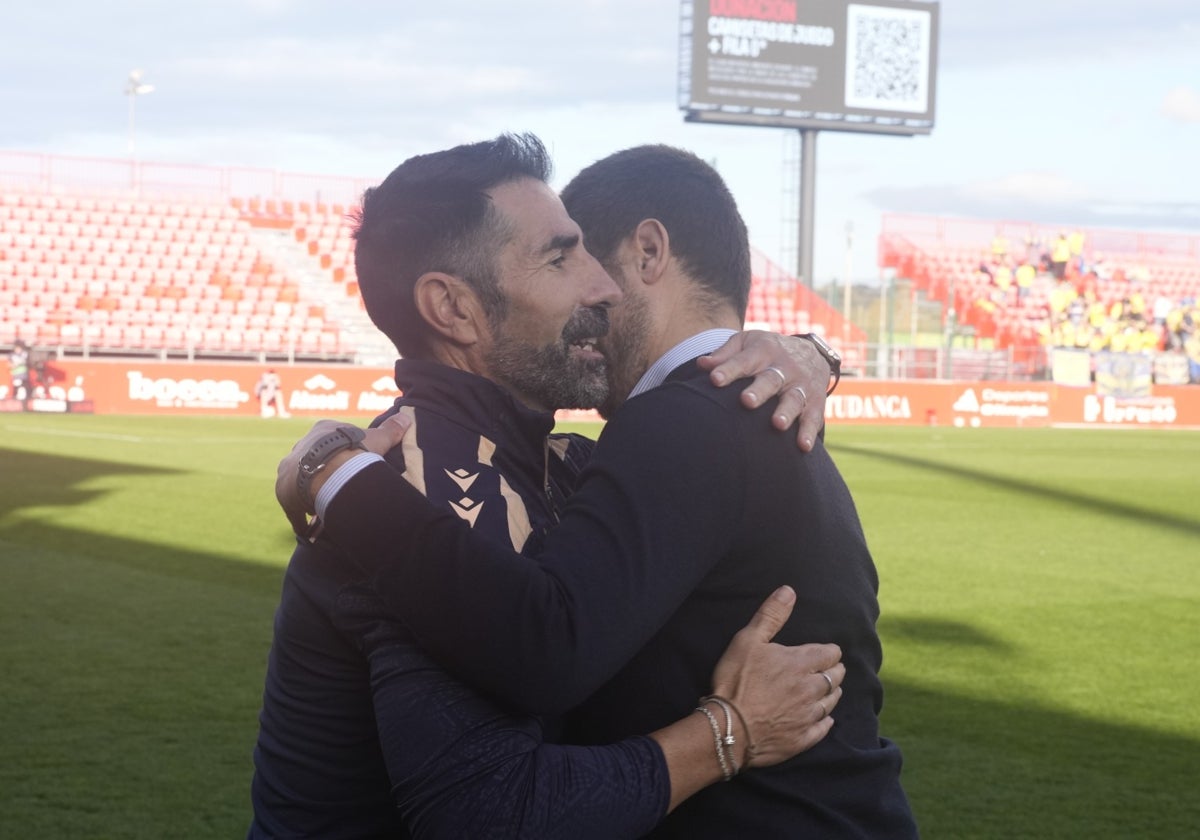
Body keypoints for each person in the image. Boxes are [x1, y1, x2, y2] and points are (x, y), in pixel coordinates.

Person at [292, 145, 917, 836]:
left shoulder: (580, 460)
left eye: (591, 255)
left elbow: (545, 643)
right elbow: (493, 809)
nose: (601, 288)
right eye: (561, 258)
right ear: (453, 308)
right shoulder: (421, 471)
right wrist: (728, 733)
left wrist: (810, 350)